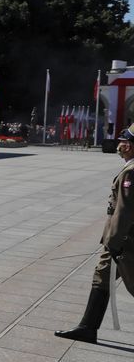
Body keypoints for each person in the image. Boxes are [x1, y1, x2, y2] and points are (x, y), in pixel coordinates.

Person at [56, 127, 134, 343]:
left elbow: (125, 211)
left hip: (124, 241)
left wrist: (113, 242)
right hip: (123, 240)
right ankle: (87, 327)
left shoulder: (130, 172)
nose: (119, 144)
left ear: (130, 145)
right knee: (102, 277)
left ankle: (88, 328)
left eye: (124, 141)